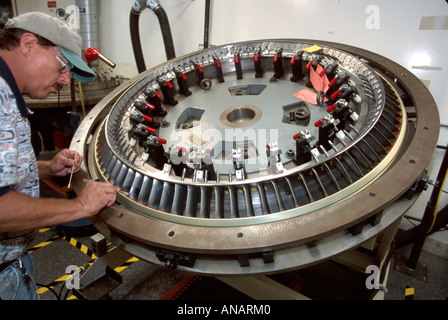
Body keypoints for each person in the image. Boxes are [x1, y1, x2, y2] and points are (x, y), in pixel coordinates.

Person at [0, 12, 119, 300]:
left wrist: (45, 168)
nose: (66, 79)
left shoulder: (7, 95)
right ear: (28, 44)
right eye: (64, 66)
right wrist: (80, 206)